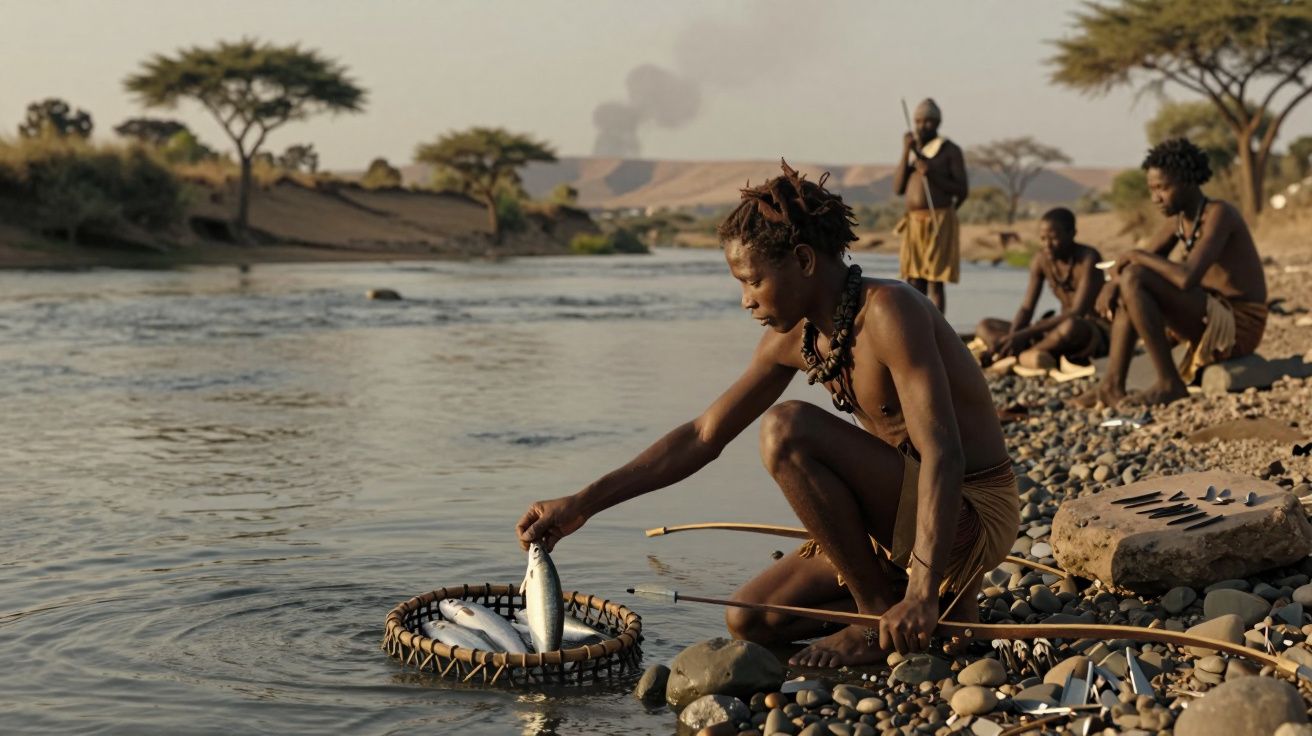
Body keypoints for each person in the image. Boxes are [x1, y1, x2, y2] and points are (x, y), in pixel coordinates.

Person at [516, 161, 1017, 667]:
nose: (745, 300)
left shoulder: (890, 311)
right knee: (749, 620)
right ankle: (926, 612)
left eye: (752, 281)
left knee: (786, 427)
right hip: (895, 525)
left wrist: (924, 590)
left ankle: (877, 616)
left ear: (802, 260)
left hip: (968, 515)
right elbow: (702, 436)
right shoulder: (793, 338)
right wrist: (583, 503)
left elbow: (943, 455)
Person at [1073, 138, 1267, 409]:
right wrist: (1112, 283)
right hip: (1209, 315)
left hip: (1238, 325)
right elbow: (1130, 268)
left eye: (1163, 188)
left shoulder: (1220, 214)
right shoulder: (1178, 221)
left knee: (1136, 277)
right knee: (1131, 281)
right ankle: (1111, 385)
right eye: (1152, 189)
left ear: (1188, 180)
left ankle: (1169, 383)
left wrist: (1134, 256)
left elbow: (1186, 278)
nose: (1156, 198)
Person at [974, 208, 1109, 371]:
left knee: (1071, 326)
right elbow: (1027, 308)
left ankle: (1020, 355)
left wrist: (1023, 335)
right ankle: (1024, 352)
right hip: (1054, 330)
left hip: (1090, 330)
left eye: (1053, 238)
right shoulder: (1041, 260)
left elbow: (1077, 311)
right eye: (1043, 238)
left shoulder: (1089, 258)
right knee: (985, 325)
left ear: (1072, 233)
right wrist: (1013, 336)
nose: (1047, 245)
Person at [893, 98, 969, 314]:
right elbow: (898, 188)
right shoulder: (914, 151)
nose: (921, 126)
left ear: (937, 123)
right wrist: (905, 151)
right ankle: (912, 326)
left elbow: (962, 190)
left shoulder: (949, 150)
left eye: (927, 122)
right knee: (913, 280)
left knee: (935, 279)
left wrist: (931, 173)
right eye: (918, 121)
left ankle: (937, 330)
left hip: (939, 220)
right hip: (913, 223)